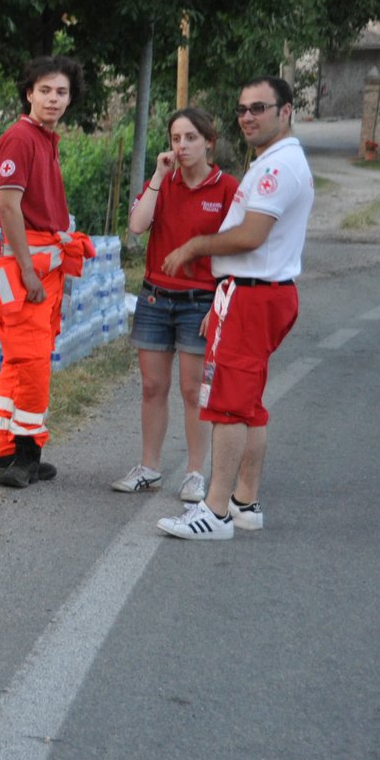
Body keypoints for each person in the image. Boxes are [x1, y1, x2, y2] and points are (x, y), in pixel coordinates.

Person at [157, 76, 313, 540]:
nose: (248, 116)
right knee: (248, 405)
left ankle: (216, 512)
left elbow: (251, 236)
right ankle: (246, 501)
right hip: (251, 291)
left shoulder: (277, 168)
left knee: (226, 404)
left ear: (285, 111)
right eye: (243, 109)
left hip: (254, 292)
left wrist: (194, 246)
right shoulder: (274, 160)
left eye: (259, 108)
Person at [0, 55, 95, 489]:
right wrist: (28, 273)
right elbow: (6, 205)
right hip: (29, 269)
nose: (53, 98)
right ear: (29, 93)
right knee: (31, 362)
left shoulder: (44, 138)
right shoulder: (20, 139)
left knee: (19, 358)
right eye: (44, 90)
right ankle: (27, 456)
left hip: (45, 266)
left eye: (61, 92)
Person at [112, 107, 239, 502]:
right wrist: (156, 177)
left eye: (190, 139)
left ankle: (196, 472)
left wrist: (218, 305)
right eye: (175, 139)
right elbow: (136, 227)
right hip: (155, 296)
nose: (181, 147)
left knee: (192, 389)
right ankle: (149, 467)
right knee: (152, 386)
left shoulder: (227, 189)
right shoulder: (164, 183)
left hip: (200, 301)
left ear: (209, 143)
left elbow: (239, 251)